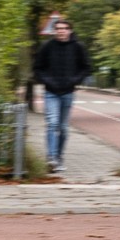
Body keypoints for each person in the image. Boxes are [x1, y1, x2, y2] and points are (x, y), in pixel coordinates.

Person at [32, 19, 91, 173]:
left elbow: (86, 68)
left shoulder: (78, 47)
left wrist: (74, 80)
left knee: (63, 127)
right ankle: (51, 158)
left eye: (64, 28)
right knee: (52, 124)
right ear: (54, 31)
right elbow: (37, 68)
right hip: (51, 92)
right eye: (58, 28)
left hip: (68, 92)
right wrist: (47, 81)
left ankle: (59, 156)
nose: (61, 31)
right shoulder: (47, 47)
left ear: (69, 31)